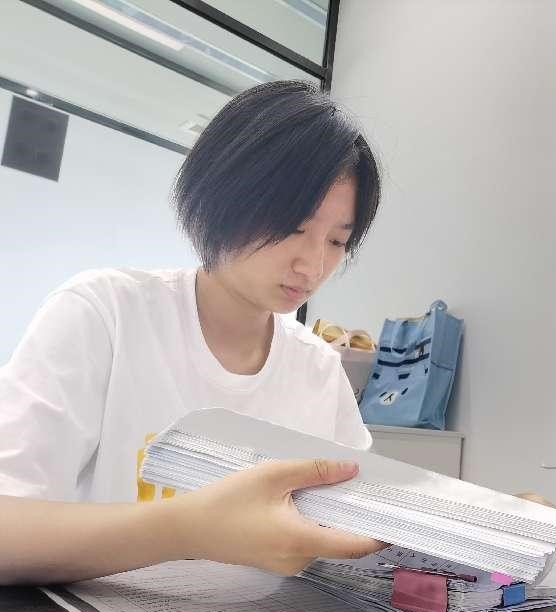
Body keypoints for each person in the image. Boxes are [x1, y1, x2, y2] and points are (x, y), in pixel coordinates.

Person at [0, 80, 386, 585]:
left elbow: (357, 519)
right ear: (221, 197)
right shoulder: (105, 314)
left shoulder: (318, 368)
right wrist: (190, 530)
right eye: (294, 227)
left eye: (337, 241)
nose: (313, 265)